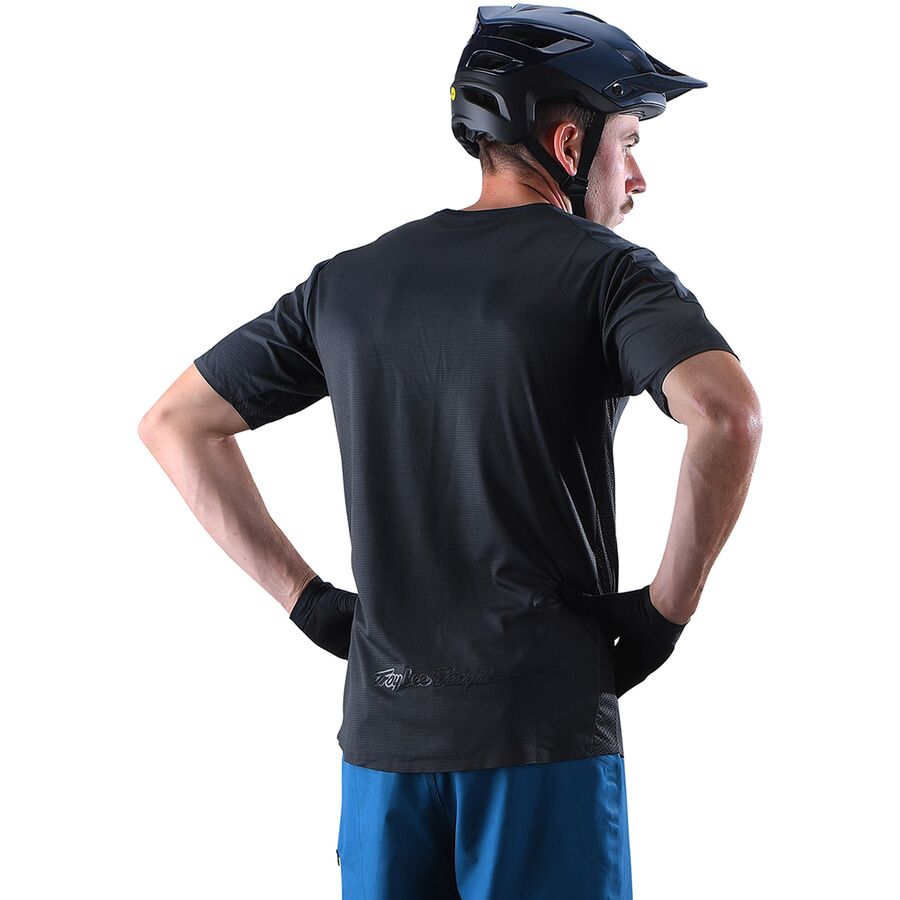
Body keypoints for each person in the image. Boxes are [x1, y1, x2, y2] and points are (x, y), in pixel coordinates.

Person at [138, 5, 762, 898]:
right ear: (568, 142)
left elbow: (176, 423)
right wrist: (664, 616)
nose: (637, 178)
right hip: (539, 736)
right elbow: (729, 415)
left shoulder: (346, 284)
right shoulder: (608, 273)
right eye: (629, 143)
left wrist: (308, 603)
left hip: (384, 744)